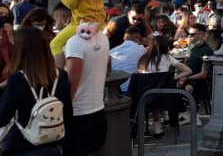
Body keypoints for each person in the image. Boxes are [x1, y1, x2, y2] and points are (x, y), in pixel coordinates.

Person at [0, 28, 73, 156]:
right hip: (55, 144)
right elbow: (67, 112)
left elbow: (3, 117)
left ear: (19, 50)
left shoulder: (17, 79)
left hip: (23, 145)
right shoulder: (61, 76)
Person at [64, 21, 110, 156]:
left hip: (78, 113)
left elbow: (72, 84)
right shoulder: (103, 37)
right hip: (97, 111)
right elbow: (108, 71)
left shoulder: (75, 42)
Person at [136, 35, 193, 136]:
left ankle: (157, 125)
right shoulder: (167, 58)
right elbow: (188, 71)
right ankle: (164, 119)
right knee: (162, 91)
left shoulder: (142, 60)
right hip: (166, 96)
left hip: (146, 96)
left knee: (154, 93)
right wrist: (173, 78)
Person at [176, 23, 214, 125]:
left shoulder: (207, 50)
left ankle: (193, 115)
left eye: (192, 34)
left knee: (188, 87)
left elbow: (203, 74)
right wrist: (180, 74)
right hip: (187, 76)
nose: (189, 36)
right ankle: (181, 113)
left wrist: (186, 78)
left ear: (201, 35)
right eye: (189, 34)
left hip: (199, 81)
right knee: (167, 81)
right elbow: (185, 62)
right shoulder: (191, 46)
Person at [110, 26, 147, 92]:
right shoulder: (141, 49)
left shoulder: (112, 51)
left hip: (114, 90)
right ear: (138, 38)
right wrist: (148, 43)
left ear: (124, 38)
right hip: (131, 90)